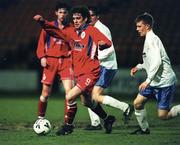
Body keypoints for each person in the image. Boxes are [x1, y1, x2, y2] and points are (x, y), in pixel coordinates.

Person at [33, 6, 116, 135]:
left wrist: (102, 44)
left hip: (91, 72)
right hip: (80, 73)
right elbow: (55, 31)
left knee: (70, 96)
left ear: (85, 19)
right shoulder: (71, 32)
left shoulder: (92, 31)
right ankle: (107, 119)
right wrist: (42, 22)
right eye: (74, 18)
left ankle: (68, 126)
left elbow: (108, 42)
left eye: (78, 18)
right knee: (86, 102)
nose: (75, 21)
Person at [84, 6, 134, 131]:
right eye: (88, 16)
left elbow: (110, 49)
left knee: (94, 96)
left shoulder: (102, 29)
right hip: (99, 65)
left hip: (106, 66)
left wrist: (96, 59)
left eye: (92, 15)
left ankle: (125, 107)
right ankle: (95, 123)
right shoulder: (90, 29)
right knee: (88, 93)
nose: (90, 18)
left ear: (97, 16)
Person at [130, 12, 180, 135]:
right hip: (154, 81)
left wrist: (148, 80)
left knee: (163, 116)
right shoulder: (148, 39)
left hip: (164, 82)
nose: (137, 29)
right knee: (137, 103)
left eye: (139, 26)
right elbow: (150, 61)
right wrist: (139, 67)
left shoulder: (152, 39)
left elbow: (157, 62)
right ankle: (144, 129)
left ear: (147, 26)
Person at [36, 2, 77, 128]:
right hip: (50, 61)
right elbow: (41, 43)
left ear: (68, 14)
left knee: (69, 93)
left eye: (65, 12)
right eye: (60, 12)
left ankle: (67, 123)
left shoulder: (71, 28)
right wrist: (42, 56)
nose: (62, 15)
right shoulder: (48, 27)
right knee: (45, 93)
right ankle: (40, 119)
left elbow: (75, 46)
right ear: (56, 13)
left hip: (66, 62)